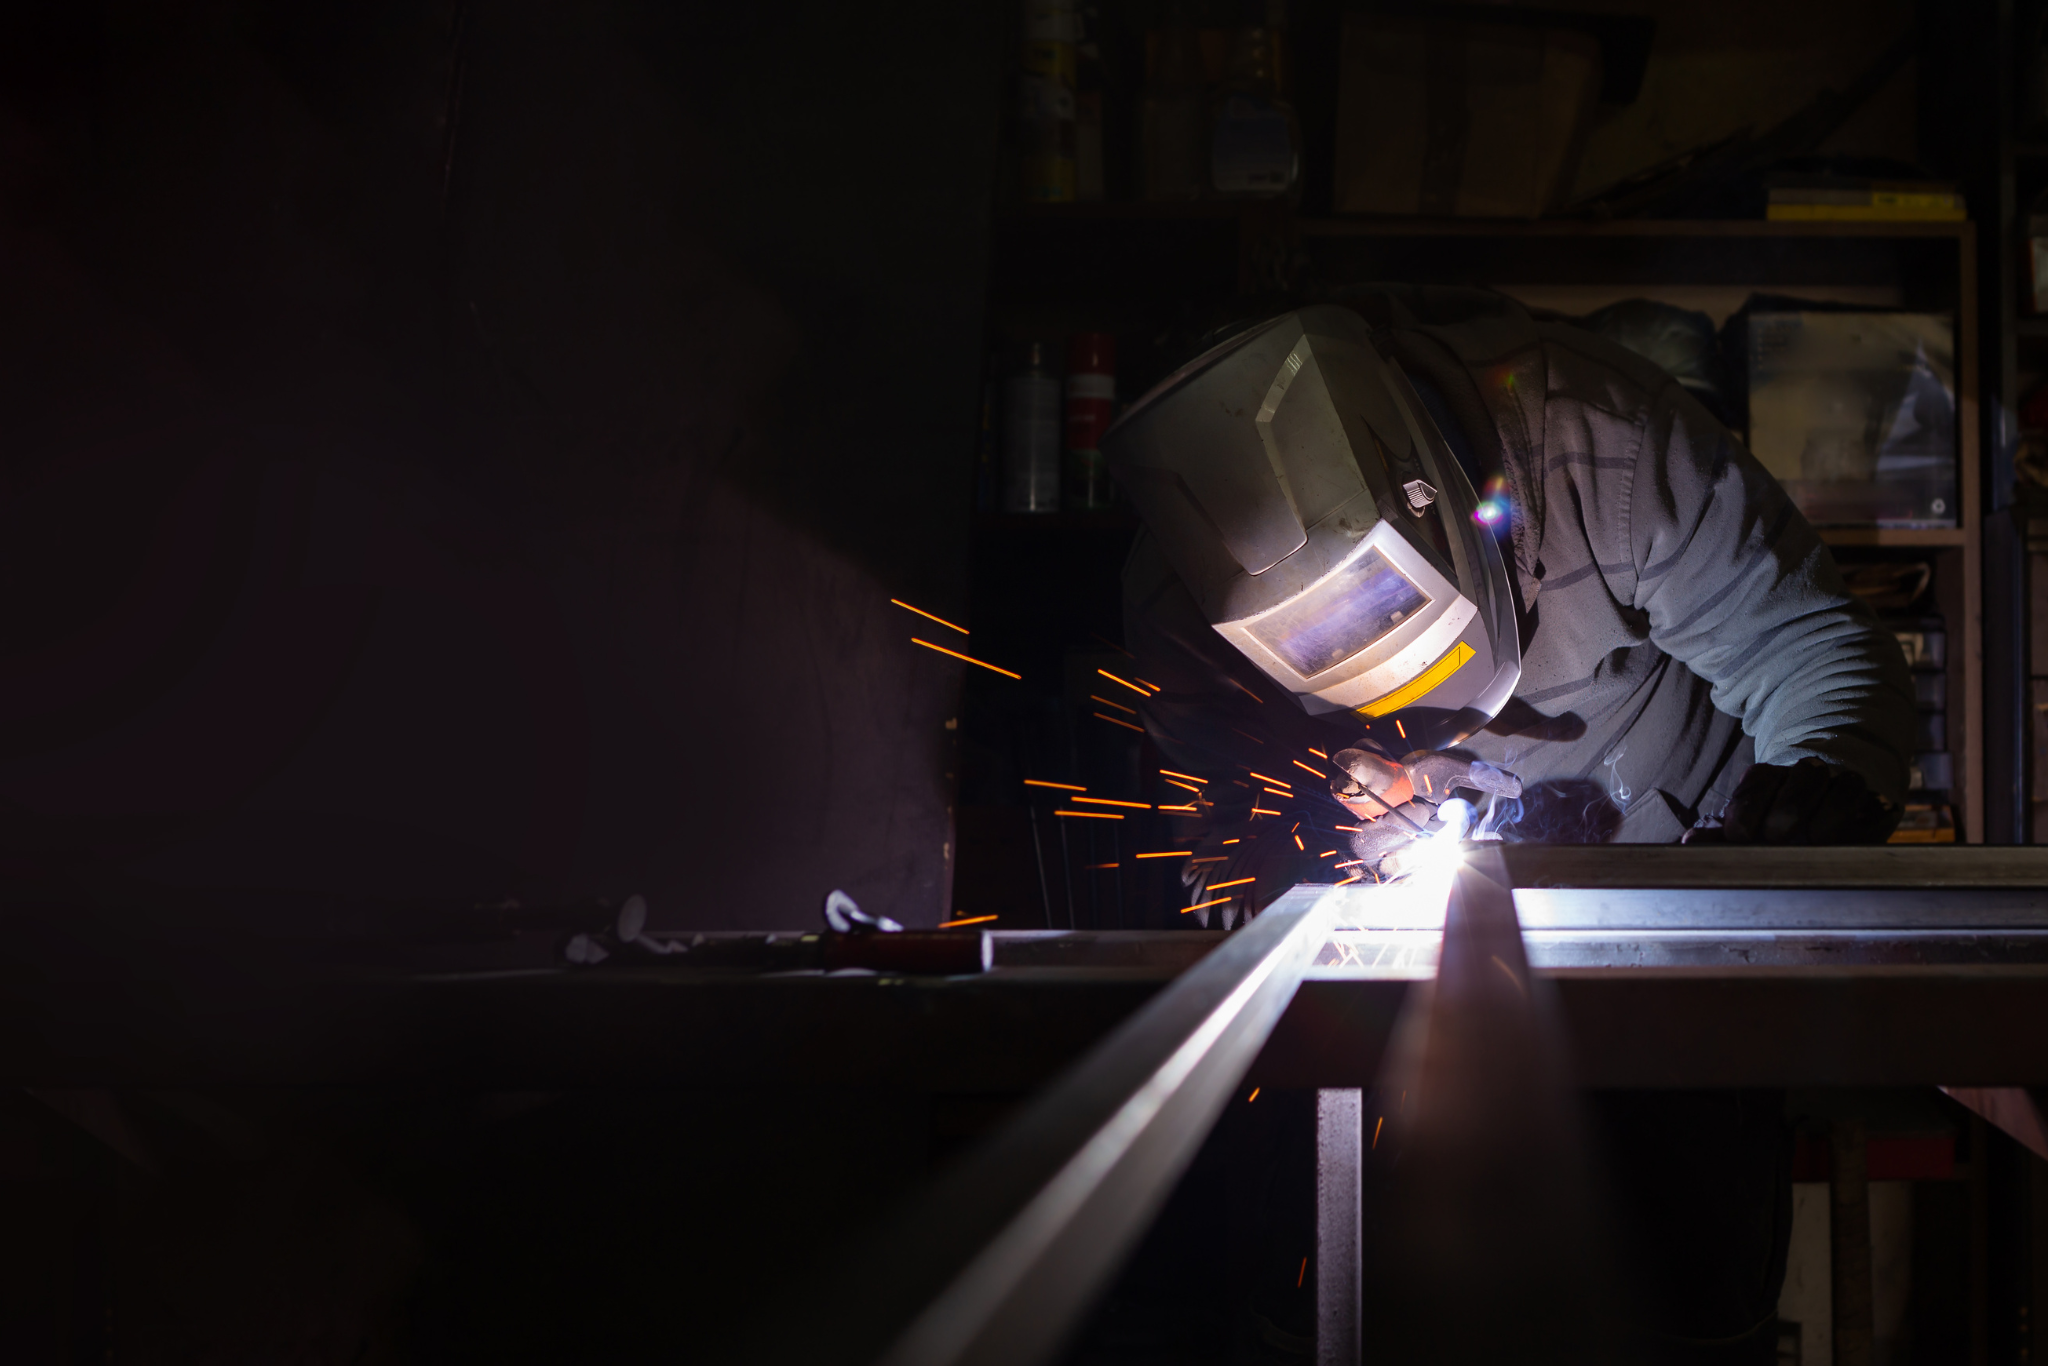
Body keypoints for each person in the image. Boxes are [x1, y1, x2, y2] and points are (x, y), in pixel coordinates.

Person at [1099, 293, 1917, 1362]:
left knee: (1679, 1257)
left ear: (1424, 491)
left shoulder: (1594, 443)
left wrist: (1820, 784)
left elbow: (1810, 648)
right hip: (1388, 969)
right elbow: (1217, 853)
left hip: (1667, 916)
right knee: (1304, 1231)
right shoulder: (1176, 609)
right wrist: (1307, 824)